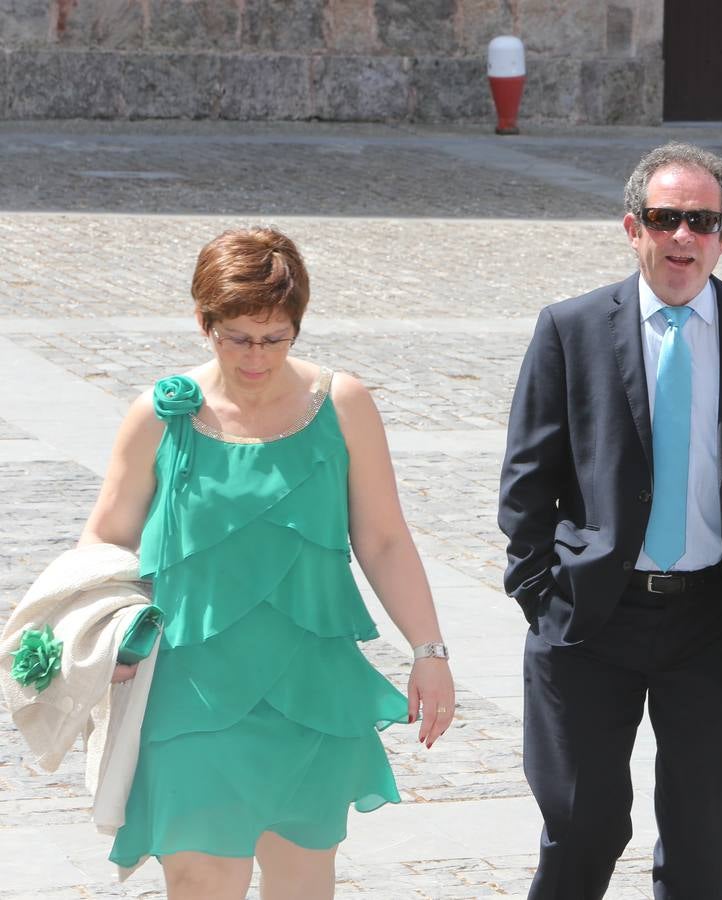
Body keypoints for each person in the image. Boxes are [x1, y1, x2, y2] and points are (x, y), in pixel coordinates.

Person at [79, 227, 456, 898]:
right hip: (187, 691)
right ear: (204, 322)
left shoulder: (343, 406)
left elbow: (385, 540)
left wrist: (429, 651)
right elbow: (106, 541)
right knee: (199, 877)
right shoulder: (159, 417)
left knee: (300, 881)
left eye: (275, 337)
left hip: (308, 691)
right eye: (237, 338)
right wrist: (106, 636)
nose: (257, 357)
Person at [498, 142, 722, 899]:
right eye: (665, 218)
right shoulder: (571, 328)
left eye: (702, 221)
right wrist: (540, 597)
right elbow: (527, 480)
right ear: (632, 227)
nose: (684, 237)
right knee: (581, 828)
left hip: (716, 622)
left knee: (704, 844)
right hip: (591, 619)